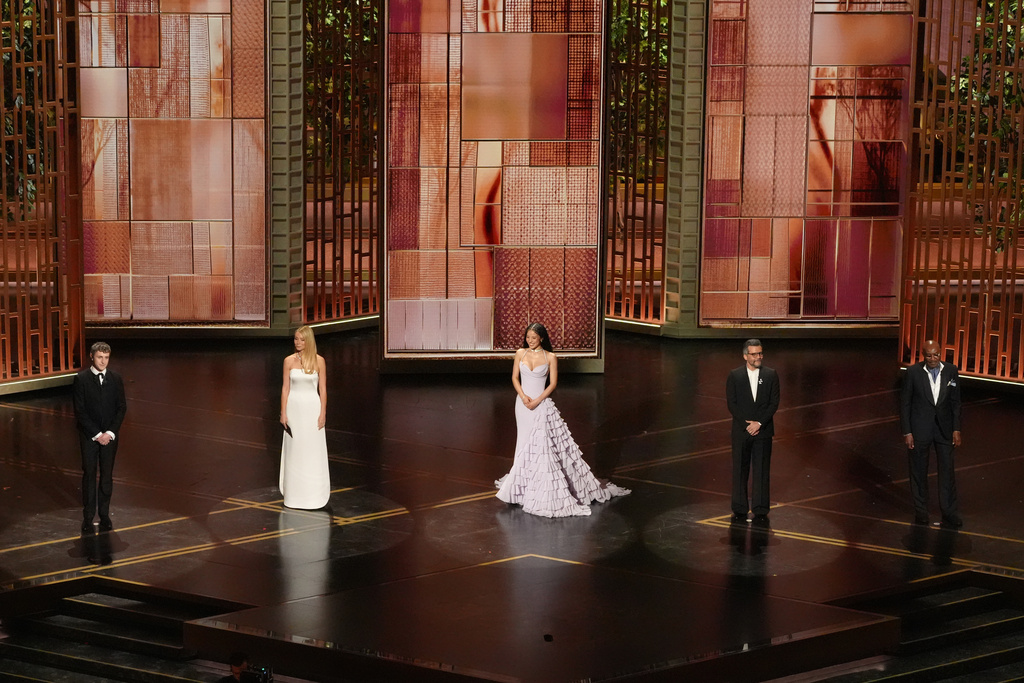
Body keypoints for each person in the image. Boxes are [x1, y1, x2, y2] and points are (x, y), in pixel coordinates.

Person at [495, 322, 630, 517]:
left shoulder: (550, 357)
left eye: (533, 338)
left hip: (540, 404)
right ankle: (520, 483)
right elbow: (515, 377)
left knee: (542, 445)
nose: (530, 341)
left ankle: (538, 484)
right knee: (523, 442)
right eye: (528, 337)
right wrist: (523, 397)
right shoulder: (520, 353)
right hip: (522, 404)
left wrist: (538, 401)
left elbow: (553, 383)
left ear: (542, 338)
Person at [900, 339, 963, 528]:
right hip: (920, 429)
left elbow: (956, 403)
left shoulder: (951, 370)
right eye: (929, 355)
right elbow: (905, 404)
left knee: (947, 472)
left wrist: (956, 429)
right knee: (918, 472)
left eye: (936, 354)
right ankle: (921, 512)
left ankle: (949, 512)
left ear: (941, 353)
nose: (933, 358)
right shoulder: (913, 372)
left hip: (944, 429)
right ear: (923, 355)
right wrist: (907, 431)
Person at [73, 341, 128, 534]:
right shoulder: (81, 379)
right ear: (92, 356)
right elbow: (80, 411)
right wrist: (97, 434)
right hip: (89, 437)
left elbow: (121, 407)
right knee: (89, 475)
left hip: (109, 437)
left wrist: (110, 433)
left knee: (106, 476)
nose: (103, 361)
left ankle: (104, 515)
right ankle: (88, 517)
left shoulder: (115, 378)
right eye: (99, 357)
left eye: (106, 358)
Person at [725, 338, 780, 524]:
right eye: (755, 354)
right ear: (745, 355)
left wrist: (759, 424)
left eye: (760, 353)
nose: (759, 357)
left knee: (762, 470)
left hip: (763, 432)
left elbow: (774, 403)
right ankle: (739, 507)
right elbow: (731, 403)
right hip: (742, 431)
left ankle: (760, 508)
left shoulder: (771, 375)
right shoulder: (735, 375)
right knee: (740, 469)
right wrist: (746, 424)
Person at [279, 325, 330, 509]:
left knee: (312, 450)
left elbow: (323, 389)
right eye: (295, 339)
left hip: (312, 409)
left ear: (308, 341)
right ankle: (294, 496)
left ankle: (314, 495)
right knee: (295, 450)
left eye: (301, 339)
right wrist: (283, 412)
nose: (298, 342)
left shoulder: (319, 361)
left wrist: (323, 412)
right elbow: (285, 388)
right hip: (294, 409)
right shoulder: (288, 361)